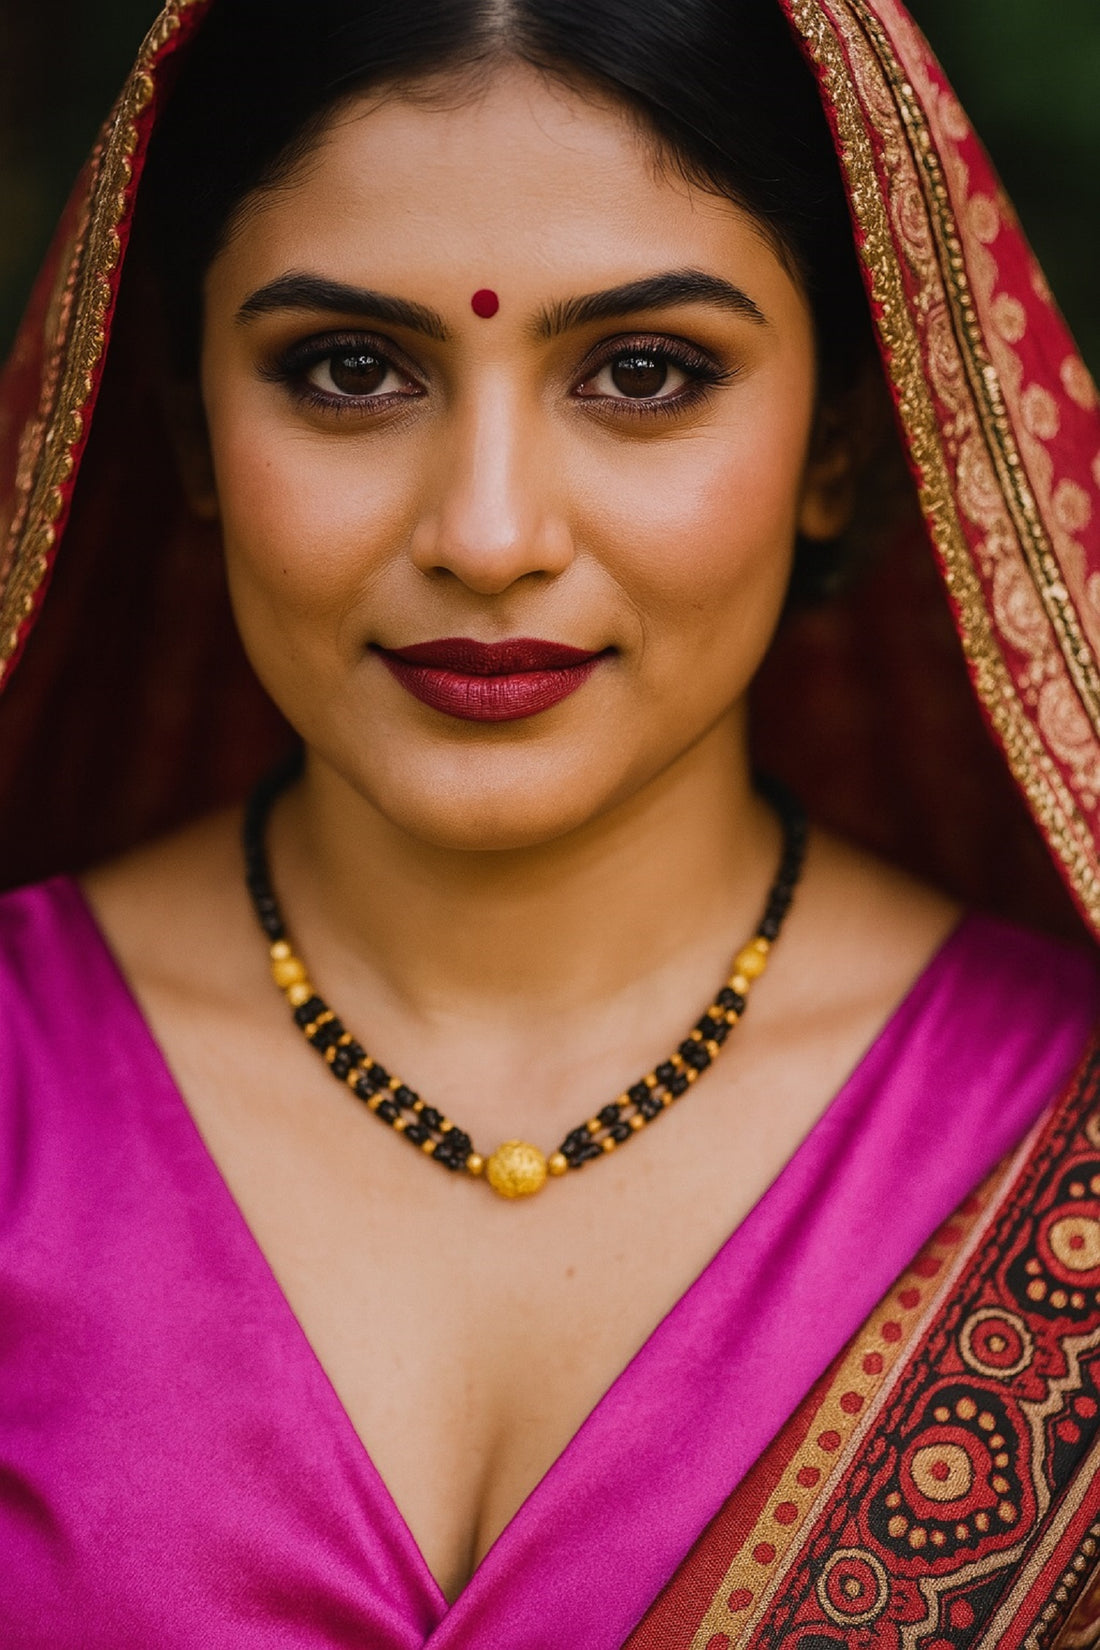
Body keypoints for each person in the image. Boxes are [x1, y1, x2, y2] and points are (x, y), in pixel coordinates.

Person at [2, 0, 1100, 1644]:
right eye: (350, 369)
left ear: (847, 438)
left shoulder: (1060, 1144)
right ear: (182, 424)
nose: (490, 531)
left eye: (645, 371)